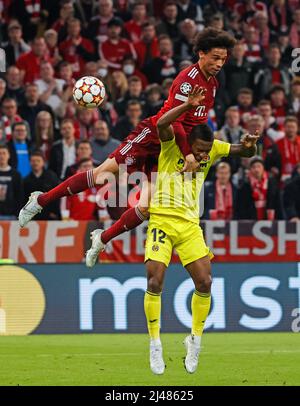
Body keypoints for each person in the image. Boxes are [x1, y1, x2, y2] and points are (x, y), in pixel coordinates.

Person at [18, 28, 236, 261]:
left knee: (147, 207)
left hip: (172, 148)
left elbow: (197, 125)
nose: (219, 63)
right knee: (103, 174)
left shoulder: (212, 84)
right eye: (215, 57)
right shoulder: (186, 81)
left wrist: (197, 149)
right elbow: (175, 122)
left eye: (223, 59)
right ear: (201, 54)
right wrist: (188, 154)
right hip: (154, 135)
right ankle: (40, 200)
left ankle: (101, 239)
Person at [143, 86, 259, 375]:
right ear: (188, 144)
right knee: (155, 281)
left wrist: (250, 145)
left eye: (208, 152)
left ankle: (194, 340)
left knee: (205, 282)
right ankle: (155, 344)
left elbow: (244, 152)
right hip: (161, 220)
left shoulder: (213, 148)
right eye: (199, 151)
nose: (204, 156)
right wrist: (186, 105)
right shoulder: (172, 145)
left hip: (190, 225)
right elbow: (160, 123)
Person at [236, 156, 282, 220]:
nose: (256, 169)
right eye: (253, 167)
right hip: (250, 221)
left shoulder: (272, 183)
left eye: (259, 166)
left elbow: (278, 203)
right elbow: (241, 207)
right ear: (250, 169)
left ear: (263, 168)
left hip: (270, 220)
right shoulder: (245, 185)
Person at [23, 151, 60, 221]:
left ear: (43, 162)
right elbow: (24, 200)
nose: (35, 163)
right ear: (30, 162)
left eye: (38, 161)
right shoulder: (26, 180)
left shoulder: (52, 177)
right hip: (33, 217)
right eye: (33, 161)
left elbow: (57, 195)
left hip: (50, 216)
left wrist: (54, 212)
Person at [0, 144, 23, 219]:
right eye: (0, 153)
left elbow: (19, 196)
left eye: (4, 153)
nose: (2, 156)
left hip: (11, 215)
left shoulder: (16, 174)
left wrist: (17, 213)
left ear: (8, 155)